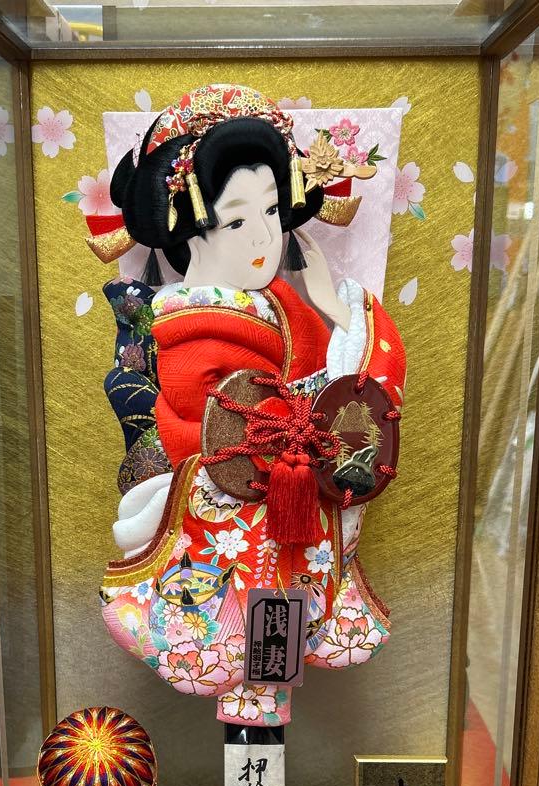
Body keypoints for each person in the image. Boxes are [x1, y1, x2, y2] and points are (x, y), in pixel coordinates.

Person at [94, 85, 406, 728]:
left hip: (272, 512)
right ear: (189, 228)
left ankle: (257, 741)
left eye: (271, 210)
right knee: (254, 653)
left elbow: (324, 403)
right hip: (233, 511)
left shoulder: (279, 305)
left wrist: (332, 308)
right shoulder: (195, 320)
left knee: (268, 661)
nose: (265, 235)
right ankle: (250, 728)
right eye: (237, 221)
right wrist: (340, 334)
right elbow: (247, 419)